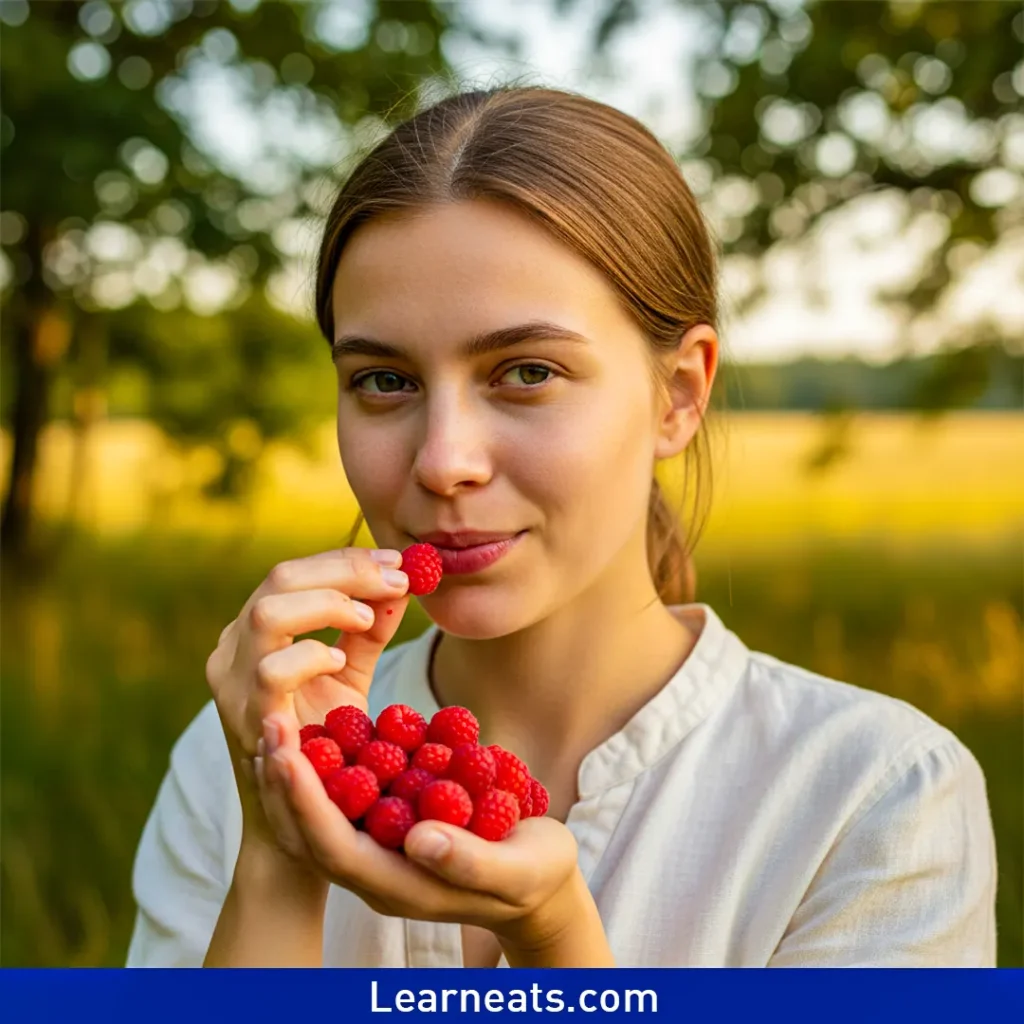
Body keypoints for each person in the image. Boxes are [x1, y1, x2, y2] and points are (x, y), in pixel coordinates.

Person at [126, 86, 998, 969]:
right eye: (384, 381)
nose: (443, 461)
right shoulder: (234, 756)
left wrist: (555, 942)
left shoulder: (875, 799)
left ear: (679, 395)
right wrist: (278, 853)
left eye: (528, 371)